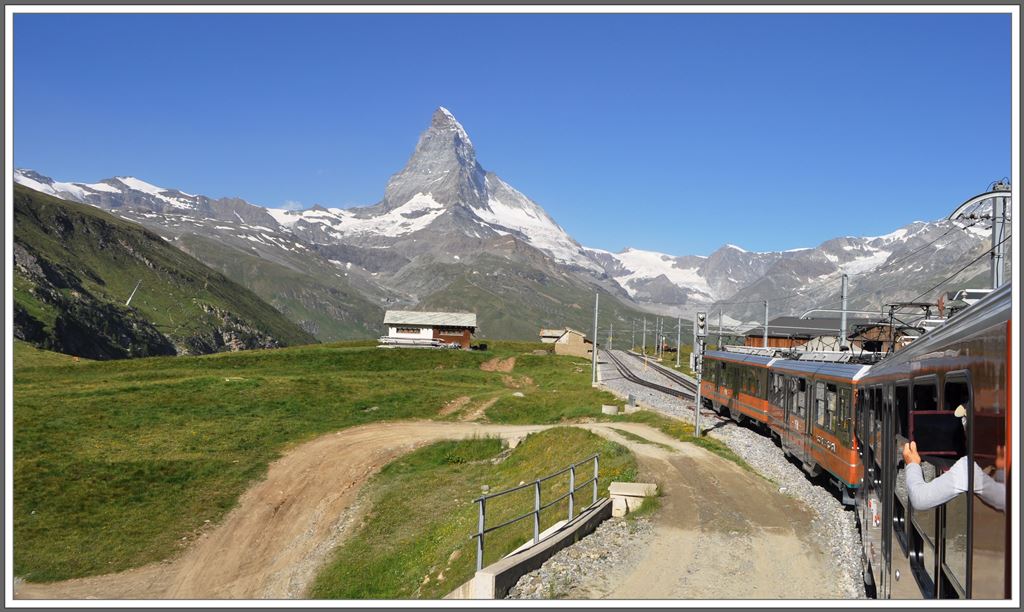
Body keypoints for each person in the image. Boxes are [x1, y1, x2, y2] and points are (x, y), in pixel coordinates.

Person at [902, 405, 1005, 512]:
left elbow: (920, 498)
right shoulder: (973, 468)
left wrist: (912, 464)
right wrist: (1001, 469)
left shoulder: (967, 469)